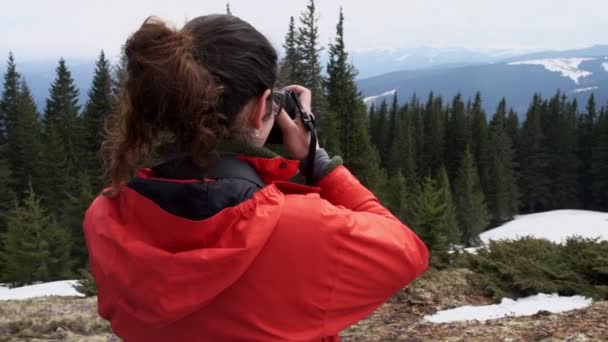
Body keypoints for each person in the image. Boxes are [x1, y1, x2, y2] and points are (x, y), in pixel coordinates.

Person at [83, 14, 429, 342]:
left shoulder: (106, 217)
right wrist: (319, 163)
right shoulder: (301, 227)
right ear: (261, 107)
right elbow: (407, 251)